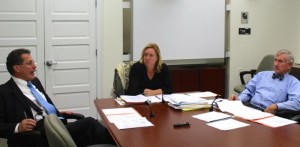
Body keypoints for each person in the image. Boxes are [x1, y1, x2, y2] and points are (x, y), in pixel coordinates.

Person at [0, 48, 115, 147]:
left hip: (54, 125)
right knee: (89, 124)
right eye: (29, 63)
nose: (35, 66)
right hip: (34, 136)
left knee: (92, 132)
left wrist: (56, 112)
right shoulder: (4, 92)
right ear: (17, 68)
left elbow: (41, 105)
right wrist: (17, 127)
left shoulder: (35, 82)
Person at [230, 49, 300, 114]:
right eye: (275, 60)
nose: (276, 64)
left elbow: (296, 103)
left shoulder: (294, 83)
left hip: (268, 112)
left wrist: (276, 106)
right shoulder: (261, 75)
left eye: (280, 61)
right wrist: (238, 100)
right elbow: (248, 91)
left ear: (289, 65)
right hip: (250, 107)